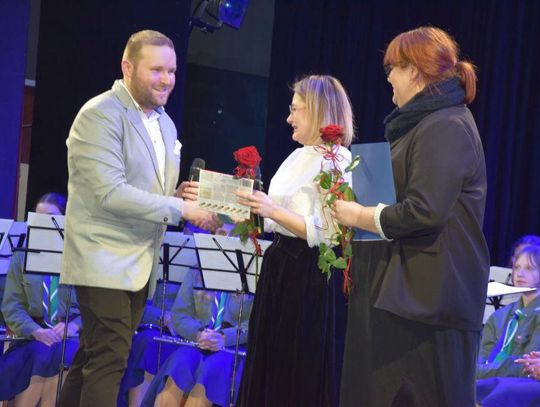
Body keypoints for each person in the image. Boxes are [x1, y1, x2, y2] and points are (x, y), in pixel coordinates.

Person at [58, 30, 216, 407]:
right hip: (102, 260)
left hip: (139, 264)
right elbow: (110, 192)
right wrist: (181, 209)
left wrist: (177, 196)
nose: (167, 80)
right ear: (127, 67)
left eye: (172, 71)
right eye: (156, 70)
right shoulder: (100, 114)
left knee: (95, 355)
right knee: (110, 357)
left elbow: (150, 193)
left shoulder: (165, 124)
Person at [333, 26, 490, 406]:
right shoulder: (426, 123)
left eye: (394, 68)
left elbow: (425, 211)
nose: (388, 77)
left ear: (415, 72)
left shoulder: (446, 125)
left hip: (428, 305)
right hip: (404, 299)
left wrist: (360, 214)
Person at [236, 75, 354, 406]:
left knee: (297, 366)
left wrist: (272, 210)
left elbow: (330, 232)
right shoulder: (297, 156)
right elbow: (276, 216)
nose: (289, 118)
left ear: (316, 111)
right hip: (281, 266)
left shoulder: (337, 160)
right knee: (271, 361)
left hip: (309, 273)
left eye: (295, 109)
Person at [0, 192, 81, 406]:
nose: (43, 225)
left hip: (69, 337)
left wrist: (73, 326)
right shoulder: (22, 256)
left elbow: (92, 306)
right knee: (41, 352)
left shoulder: (79, 258)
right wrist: (35, 330)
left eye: (50, 218)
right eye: (38, 218)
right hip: (31, 336)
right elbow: (11, 306)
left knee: (62, 354)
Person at [141, 266, 253, 407]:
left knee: (211, 371)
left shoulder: (253, 272)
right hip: (199, 340)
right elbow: (180, 315)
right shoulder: (197, 269)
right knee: (180, 363)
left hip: (233, 346)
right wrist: (199, 333)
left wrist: (224, 337)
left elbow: (255, 324)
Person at [475, 244, 540, 406]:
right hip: (489, 379)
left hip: (519, 384)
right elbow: (480, 358)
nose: (520, 273)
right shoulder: (499, 316)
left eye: (529, 268)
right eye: (517, 267)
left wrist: (483, 371)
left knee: (502, 392)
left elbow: (526, 366)